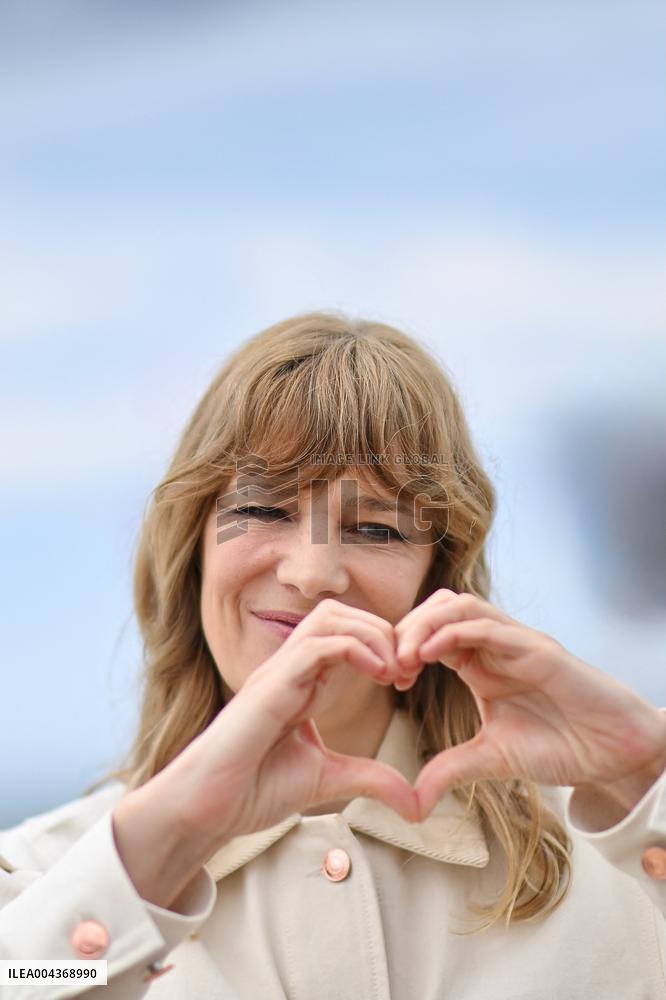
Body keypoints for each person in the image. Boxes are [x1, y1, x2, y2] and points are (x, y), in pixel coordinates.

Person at [1, 310, 664, 1000]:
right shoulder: (36, 879)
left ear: (435, 581)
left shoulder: (624, 854)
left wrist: (648, 773)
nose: (312, 573)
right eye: (262, 510)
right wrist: (167, 841)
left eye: (376, 529)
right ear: (190, 546)